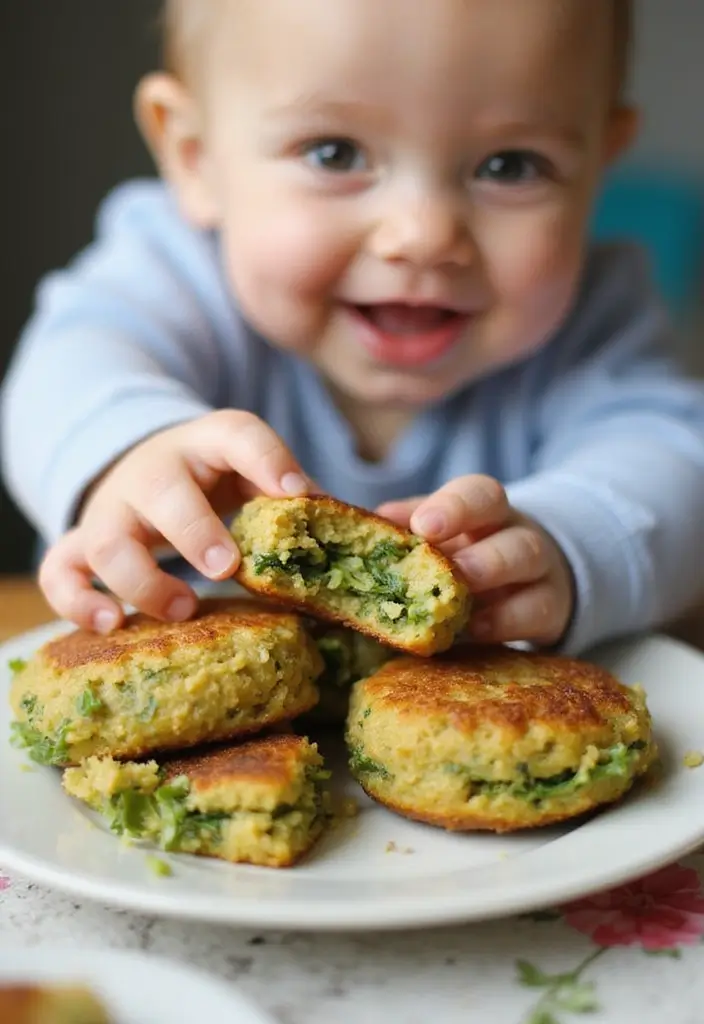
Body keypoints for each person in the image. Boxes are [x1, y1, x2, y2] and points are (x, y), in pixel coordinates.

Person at [3, 0, 704, 655]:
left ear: (600, 166)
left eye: (510, 165)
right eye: (334, 153)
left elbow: (677, 466)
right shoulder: (173, 270)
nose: (423, 234)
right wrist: (128, 451)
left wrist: (571, 541)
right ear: (195, 156)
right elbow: (65, 368)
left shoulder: (592, 316)